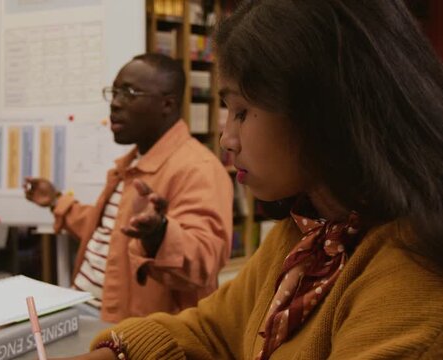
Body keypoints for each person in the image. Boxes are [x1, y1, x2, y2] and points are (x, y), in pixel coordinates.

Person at [54, 0, 443, 359]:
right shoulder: (305, 235)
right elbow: (215, 328)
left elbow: (203, 262)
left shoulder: (411, 282)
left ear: (323, 110)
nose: (226, 139)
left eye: (241, 111)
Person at [24, 53, 233, 323]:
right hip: (86, 310)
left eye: (129, 93)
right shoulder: (135, 161)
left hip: (133, 336)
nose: (115, 104)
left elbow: (205, 260)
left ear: (167, 104)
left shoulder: (198, 168)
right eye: (114, 92)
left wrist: (159, 235)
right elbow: (112, 232)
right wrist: (55, 201)